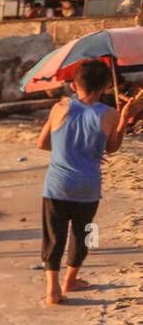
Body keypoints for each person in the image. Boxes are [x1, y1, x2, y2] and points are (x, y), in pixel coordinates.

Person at [37, 59, 140, 304]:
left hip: (57, 185)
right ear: (106, 86)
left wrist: (67, 150)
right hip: (88, 187)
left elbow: (42, 143)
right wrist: (125, 118)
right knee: (83, 234)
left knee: (53, 235)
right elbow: (112, 148)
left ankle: (53, 289)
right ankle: (71, 280)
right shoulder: (110, 114)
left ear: (74, 84)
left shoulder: (60, 107)